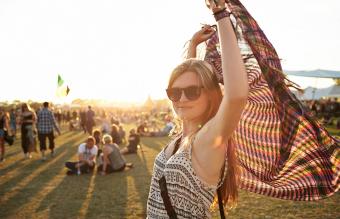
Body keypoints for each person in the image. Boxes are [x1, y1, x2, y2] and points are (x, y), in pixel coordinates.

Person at [147, 1, 248, 218]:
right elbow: (188, 78)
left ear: (210, 95)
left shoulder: (207, 140)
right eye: (174, 93)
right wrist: (192, 46)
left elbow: (237, 95)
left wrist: (220, 14)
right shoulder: (182, 138)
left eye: (192, 91)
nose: (181, 98)